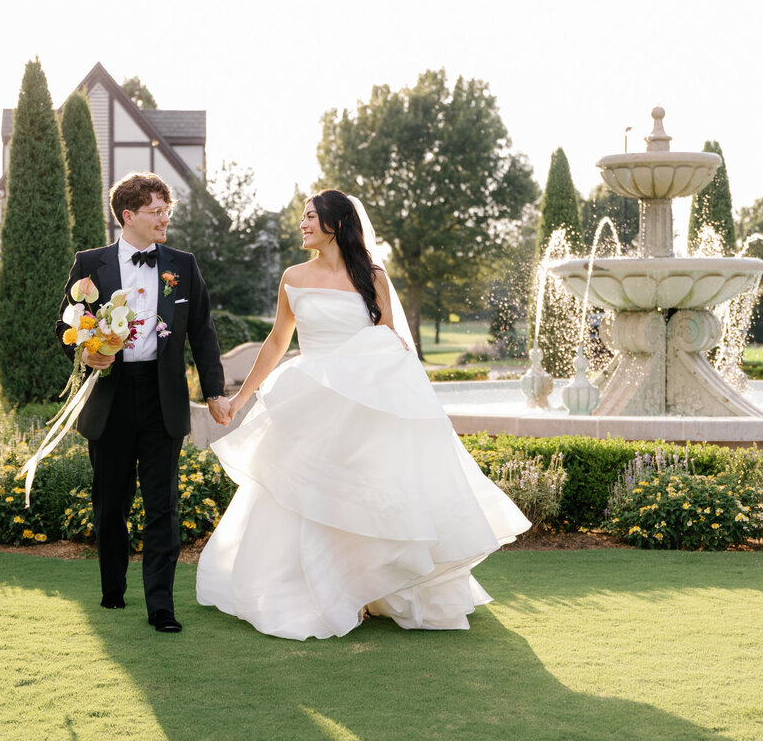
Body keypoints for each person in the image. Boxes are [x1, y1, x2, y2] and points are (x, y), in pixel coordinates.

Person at [195, 189, 530, 640]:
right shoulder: (294, 277)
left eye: (310, 216)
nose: (302, 224)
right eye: (303, 216)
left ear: (335, 224)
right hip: (312, 401)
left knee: (367, 493)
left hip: (362, 405)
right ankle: (316, 591)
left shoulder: (372, 276)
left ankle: (373, 588)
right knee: (307, 494)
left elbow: (387, 338)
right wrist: (239, 399)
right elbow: (277, 342)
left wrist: (395, 377)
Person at [57, 172, 233, 633]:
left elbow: (203, 333)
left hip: (163, 398)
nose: (164, 219)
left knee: (163, 505)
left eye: (166, 211)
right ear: (128, 215)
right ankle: (113, 589)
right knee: (110, 502)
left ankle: (161, 607)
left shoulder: (183, 265)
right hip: (110, 396)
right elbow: (67, 322)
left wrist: (215, 392)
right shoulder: (90, 263)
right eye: (156, 212)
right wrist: (85, 351)